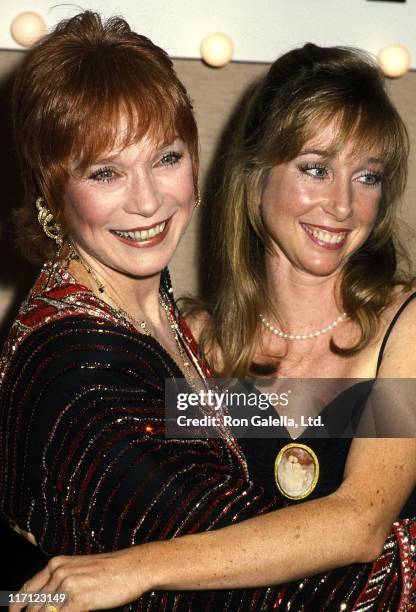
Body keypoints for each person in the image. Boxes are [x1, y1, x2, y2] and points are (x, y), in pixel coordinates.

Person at [3, 20, 416, 612]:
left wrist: (134, 568)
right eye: (316, 168)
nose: (344, 205)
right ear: (255, 174)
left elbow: (356, 522)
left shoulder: (177, 334)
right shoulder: (186, 344)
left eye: (368, 176)